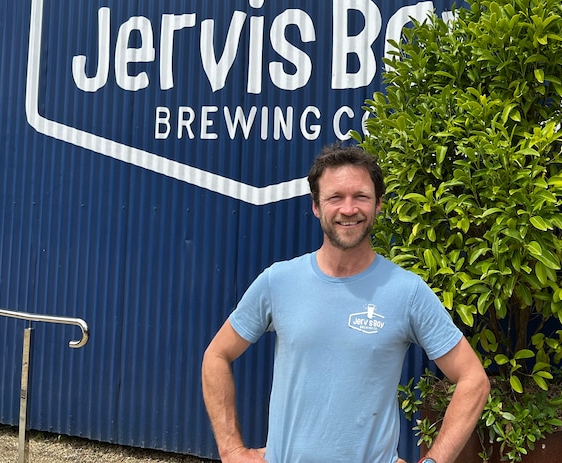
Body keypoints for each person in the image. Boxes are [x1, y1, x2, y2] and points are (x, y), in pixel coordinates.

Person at [202, 143, 490, 463]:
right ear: (316, 205)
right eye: (335, 197)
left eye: (361, 197)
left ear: (379, 204)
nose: (348, 208)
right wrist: (231, 451)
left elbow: (473, 380)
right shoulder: (278, 282)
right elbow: (216, 355)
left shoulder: (407, 292)